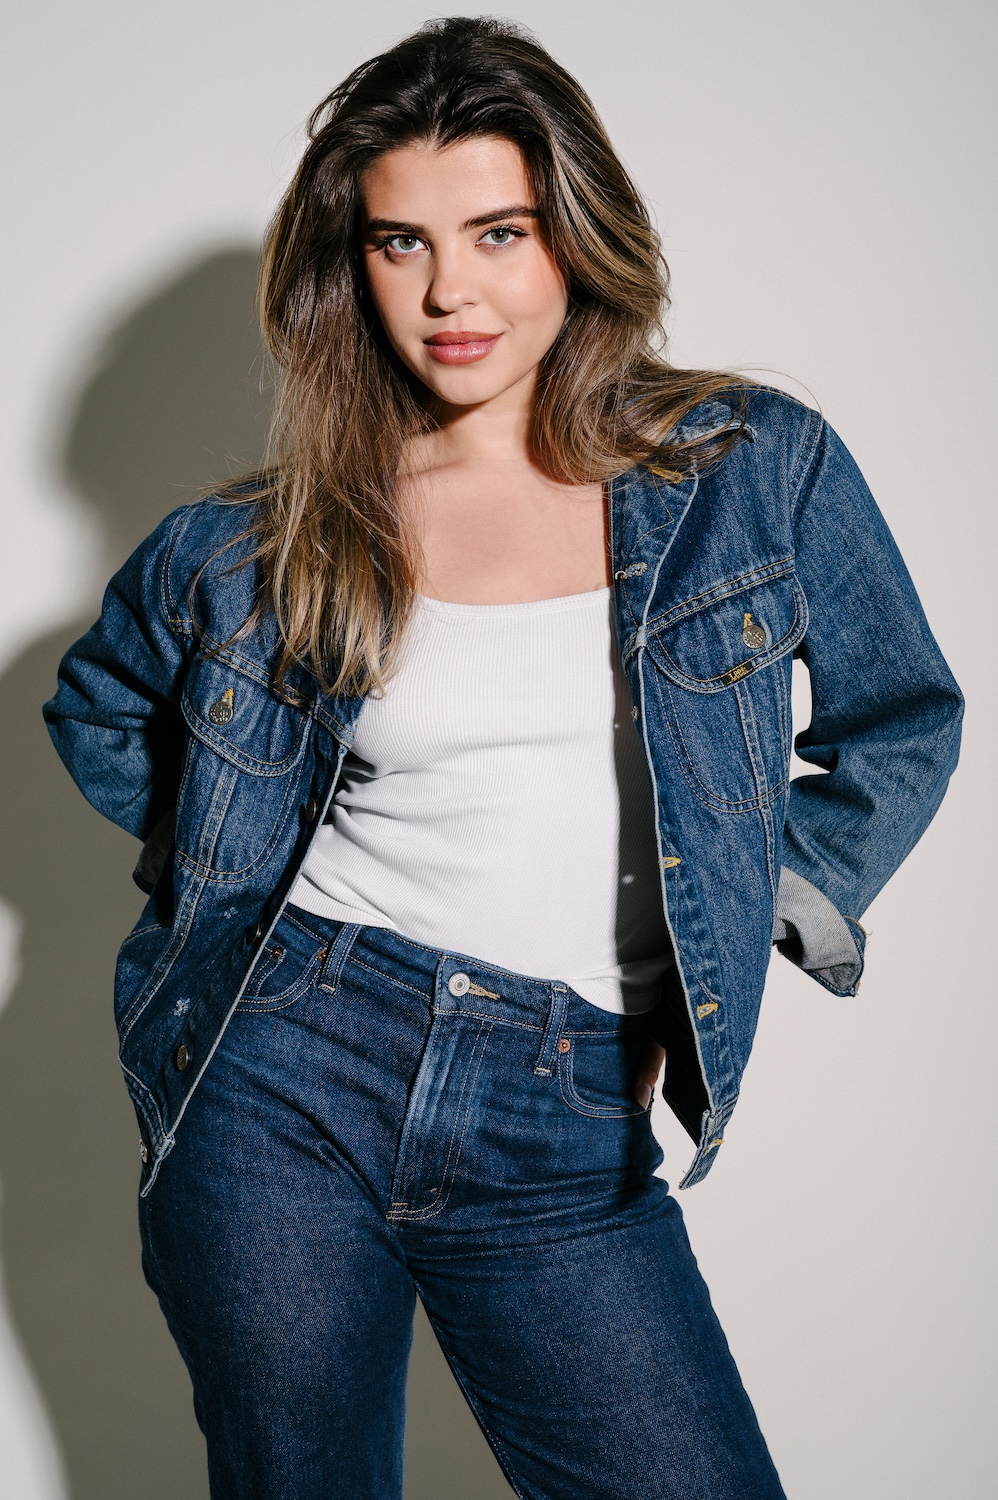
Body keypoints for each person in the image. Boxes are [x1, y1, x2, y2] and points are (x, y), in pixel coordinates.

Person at [42, 16, 963, 1500]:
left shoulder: (748, 469)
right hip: (281, 1073)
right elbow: (99, 710)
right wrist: (235, 863)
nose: (448, 291)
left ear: (574, 237)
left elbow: (901, 715)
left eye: (497, 232)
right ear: (351, 268)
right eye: (398, 243)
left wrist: (740, 910)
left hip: (566, 1097)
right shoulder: (261, 542)